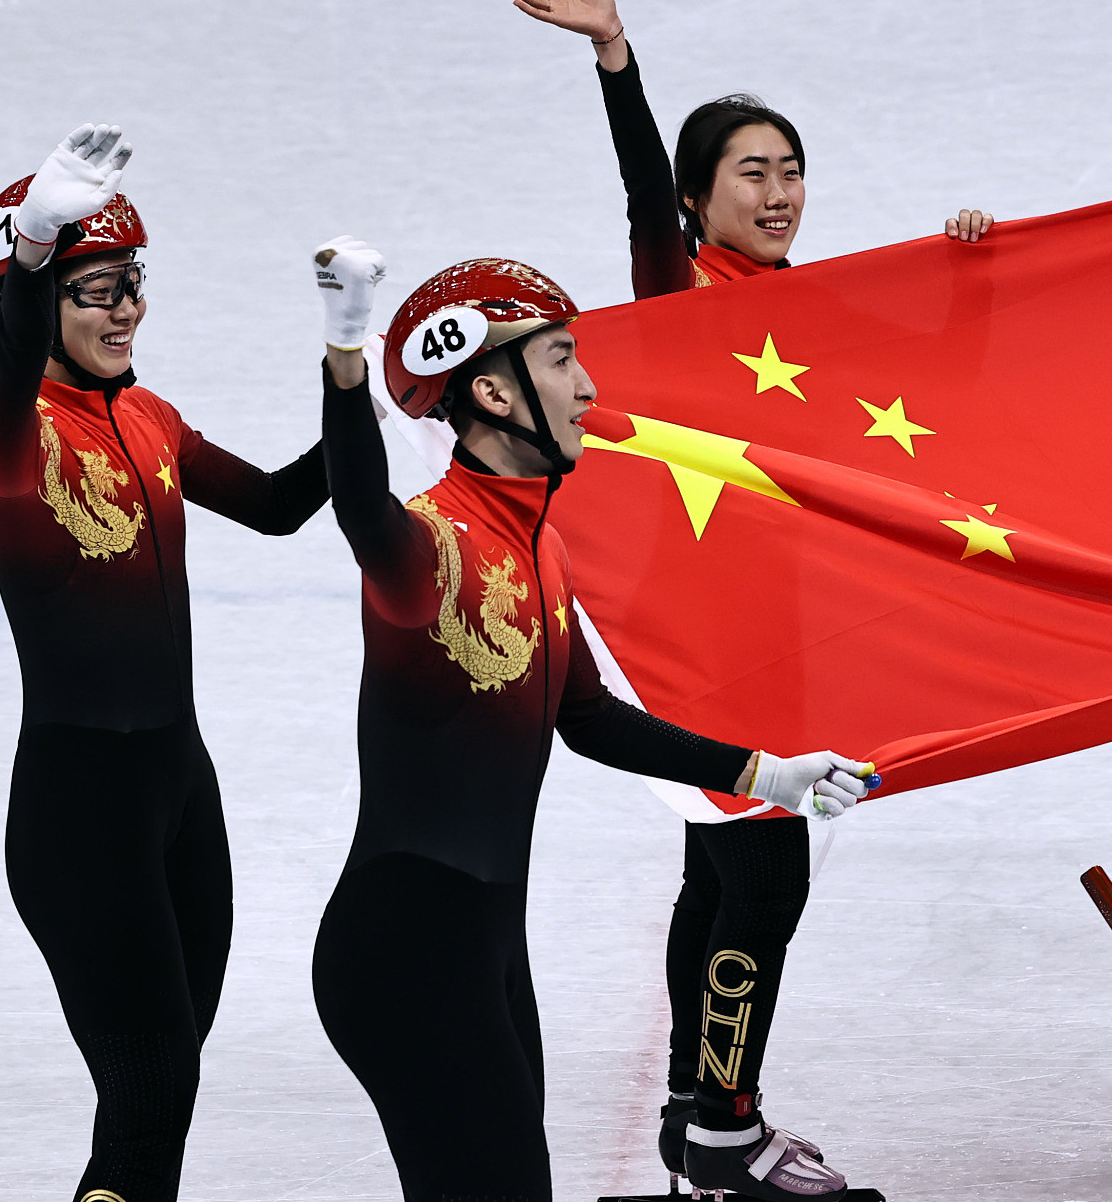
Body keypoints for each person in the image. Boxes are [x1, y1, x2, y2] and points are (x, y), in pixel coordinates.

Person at [503, 0, 983, 1190]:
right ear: (696, 199)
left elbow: (935, 383)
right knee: (765, 883)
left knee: (714, 879)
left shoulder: (805, 307)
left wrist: (981, 279)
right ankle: (726, 1127)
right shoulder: (682, 296)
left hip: (773, 633)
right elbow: (637, 193)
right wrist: (615, 54)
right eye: (751, 174)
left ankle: (691, 1120)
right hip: (712, 647)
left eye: (790, 170)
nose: (778, 194)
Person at [305, 244, 880, 1202]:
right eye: (563, 358)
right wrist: (344, 349)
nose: (588, 388)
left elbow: (590, 718)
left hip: (485, 945)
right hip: (408, 950)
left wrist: (765, 774)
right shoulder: (429, 547)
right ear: (492, 392)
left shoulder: (543, 546)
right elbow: (361, 508)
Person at [0, 125, 329, 1202]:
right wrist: (36, 242)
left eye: (134, 283)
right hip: (79, 812)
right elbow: (13, 358)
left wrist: (370, 396)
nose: (126, 308)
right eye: (98, 289)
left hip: (180, 794)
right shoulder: (9, 435)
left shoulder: (151, 416)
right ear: (33, 300)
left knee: (160, 1097)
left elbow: (275, 507)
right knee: (149, 1087)